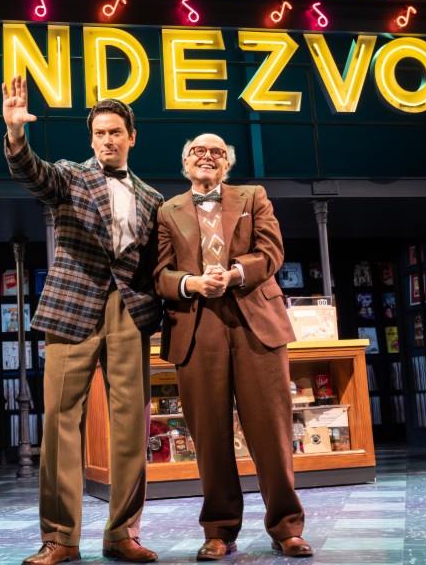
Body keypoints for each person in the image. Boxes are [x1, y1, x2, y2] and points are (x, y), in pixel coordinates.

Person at [2, 75, 164, 565]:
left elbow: (157, 263)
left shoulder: (153, 198)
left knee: (132, 426)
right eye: (100, 133)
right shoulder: (72, 176)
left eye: (116, 132)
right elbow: (33, 173)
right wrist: (15, 134)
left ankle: (122, 534)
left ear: (132, 137)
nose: (108, 140)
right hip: (72, 310)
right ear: (91, 139)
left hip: (129, 312)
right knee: (60, 427)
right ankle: (59, 539)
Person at [153, 133, 313, 561]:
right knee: (210, 436)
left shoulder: (253, 196)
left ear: (228, 164)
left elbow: (272, 251)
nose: (208, 157)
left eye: (217, 153)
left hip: (255, 324)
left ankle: (286, 527)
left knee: (272, 431)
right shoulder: (167, 210)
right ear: (185, 164)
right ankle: (220, 530)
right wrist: (190, 283)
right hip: (197, 328)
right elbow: (159, 274)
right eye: (199, 152)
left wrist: (236, 273)